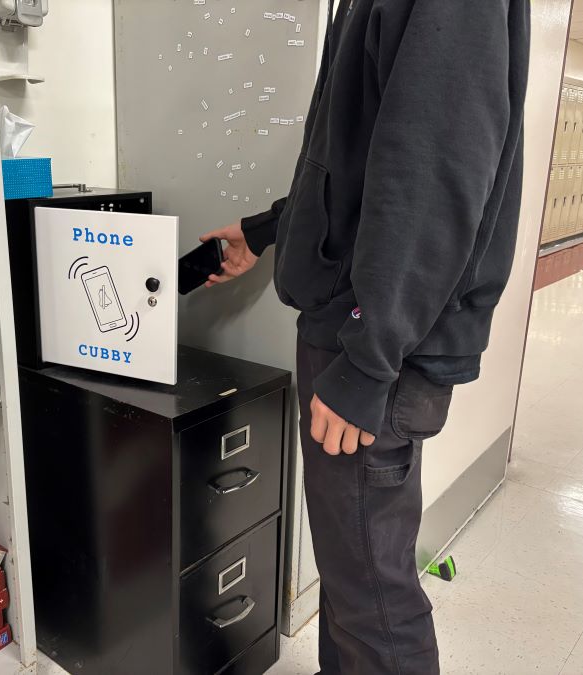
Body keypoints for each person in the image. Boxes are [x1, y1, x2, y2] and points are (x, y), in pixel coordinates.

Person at [200, 1, 531, 673]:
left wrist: (366, 361)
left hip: (373, 342)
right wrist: (268, 230)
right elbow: (355, 160)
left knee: (374, 598)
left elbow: (431, 173)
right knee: (354, 584)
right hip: (362, 329)